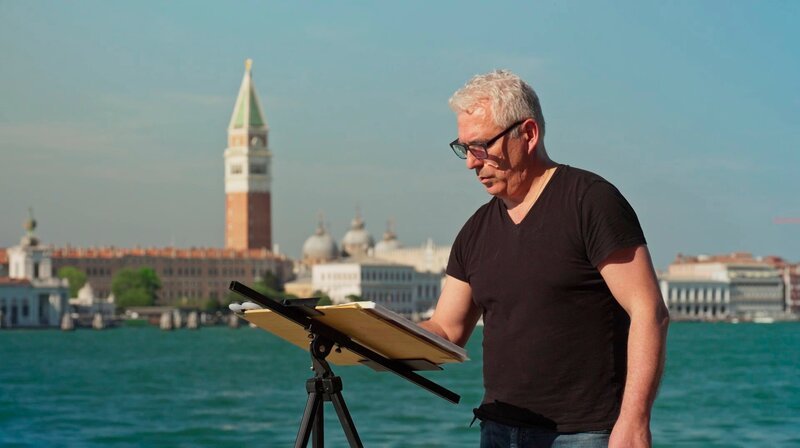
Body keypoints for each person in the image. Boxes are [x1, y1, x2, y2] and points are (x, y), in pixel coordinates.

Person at [419, 70, 669, 448]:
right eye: (464, 147)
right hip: (498, 431)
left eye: (481, 146)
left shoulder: (591, 202)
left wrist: (634, 422)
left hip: (586, 435)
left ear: (529, 134)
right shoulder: (476, 230)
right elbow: (447, 329)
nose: (471, 162)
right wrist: (368, 334)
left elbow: (649, 311)